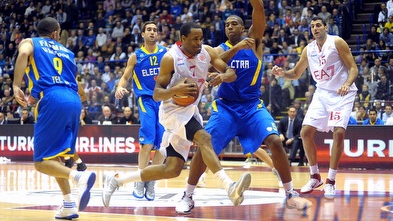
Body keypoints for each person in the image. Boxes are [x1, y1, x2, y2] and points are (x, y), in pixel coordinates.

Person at [176, 0, 312, 214]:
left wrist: (255, 4)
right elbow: (213, 63)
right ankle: (188, 195)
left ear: (243, 28)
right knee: (205, 146)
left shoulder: (254, 42)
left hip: (251, 107)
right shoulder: (217, 49)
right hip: (226, 107)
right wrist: (232, 54)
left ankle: (290, 193)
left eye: (234, 24)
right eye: (227, 24)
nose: (230, 27)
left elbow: (259, 10)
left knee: (275, 141)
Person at [102, 21, 251, 208]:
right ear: (183, 39)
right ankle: (230, 186)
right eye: (195, 39)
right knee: (204, 138)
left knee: (172, 169)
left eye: (201, 39)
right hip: (172, 112)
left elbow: (231, 72)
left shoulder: (206, 53)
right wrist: (175, 89)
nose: (199, 43)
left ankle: (117, 181)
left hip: (190, 111)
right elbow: (157, 94)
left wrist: (222, 76)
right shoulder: (170, 58)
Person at [12, 17, 96, 219]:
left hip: (51, 98)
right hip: (73, 99)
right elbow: (79, 87)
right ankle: (68, 205)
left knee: (41, 162)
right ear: (56, 33)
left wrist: (16, 85)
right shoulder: (67, 52)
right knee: (56, 158)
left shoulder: (31, 42)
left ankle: (79, 177)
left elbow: (23, 53)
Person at [272, 16, 359, 199]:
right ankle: (315, 176)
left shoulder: (337, 42)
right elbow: (295, 73)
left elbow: (353, 68)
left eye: (318, 25)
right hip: (322, 93)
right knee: (305, 133)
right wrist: (282, 73)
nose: (315, 28)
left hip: (342, 93)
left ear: (326, 27)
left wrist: (347, 84)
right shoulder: (308, 49)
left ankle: (331, 181)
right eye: (312, 26)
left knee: (339, 133)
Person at [114, 21, 167, 201]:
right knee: (147, 142)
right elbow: (125, 77)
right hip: (146, 100)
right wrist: (120, 88)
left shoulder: (165, 53)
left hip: (165, 100)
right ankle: (139, 179)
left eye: (155, 30)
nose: (152, 32)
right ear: (142, 34)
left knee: (163, 145)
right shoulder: (135, 56)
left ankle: (151, 180)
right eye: (149, 30)